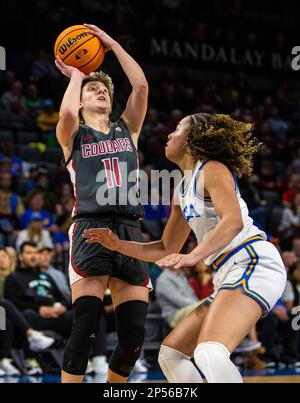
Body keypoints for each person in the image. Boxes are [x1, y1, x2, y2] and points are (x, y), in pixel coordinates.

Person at [84, 113, 287, 383]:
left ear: (192, 140)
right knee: (171, 353)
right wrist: (116, 244)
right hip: (229, 273)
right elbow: (166, 248)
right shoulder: (181, 188)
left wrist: (193, 256)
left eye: (178, 128)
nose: (169, 134)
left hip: (252, 261)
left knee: (209, 353)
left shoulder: (212, 169)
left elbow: (233, 222)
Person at [55, 23, 149, 383]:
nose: (101, 92)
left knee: (133, 340)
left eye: (104, 89)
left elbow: (140, 86)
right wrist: (77, 77)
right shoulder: (73, 134)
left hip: (128, 230)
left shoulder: (129, 129)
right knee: (85, 331)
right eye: (92, 89)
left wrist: (111, 43)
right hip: (90, 229)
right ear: (80, 100)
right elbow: (65, 114)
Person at [0, 247, 55, 376]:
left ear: (10, 259)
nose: (1, 260)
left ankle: (3, 360)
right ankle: (31, 334)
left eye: (4, 256)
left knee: (6, 321)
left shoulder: (15, 276)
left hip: (7, 315)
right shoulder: (13, 278)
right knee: (6, 304)